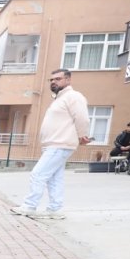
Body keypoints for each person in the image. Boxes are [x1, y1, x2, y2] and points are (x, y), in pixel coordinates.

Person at [11, 69, 92, 219]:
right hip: (53, 144)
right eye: (52, 79)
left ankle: (29, 206)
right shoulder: (59, 99)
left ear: (68, 80)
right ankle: (55, 209)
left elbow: (82, 118)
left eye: (58, 79)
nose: (53, 82)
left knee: (38, 174)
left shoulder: (73, 96)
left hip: (60, 144)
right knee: (55, 178)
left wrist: (83, 135)